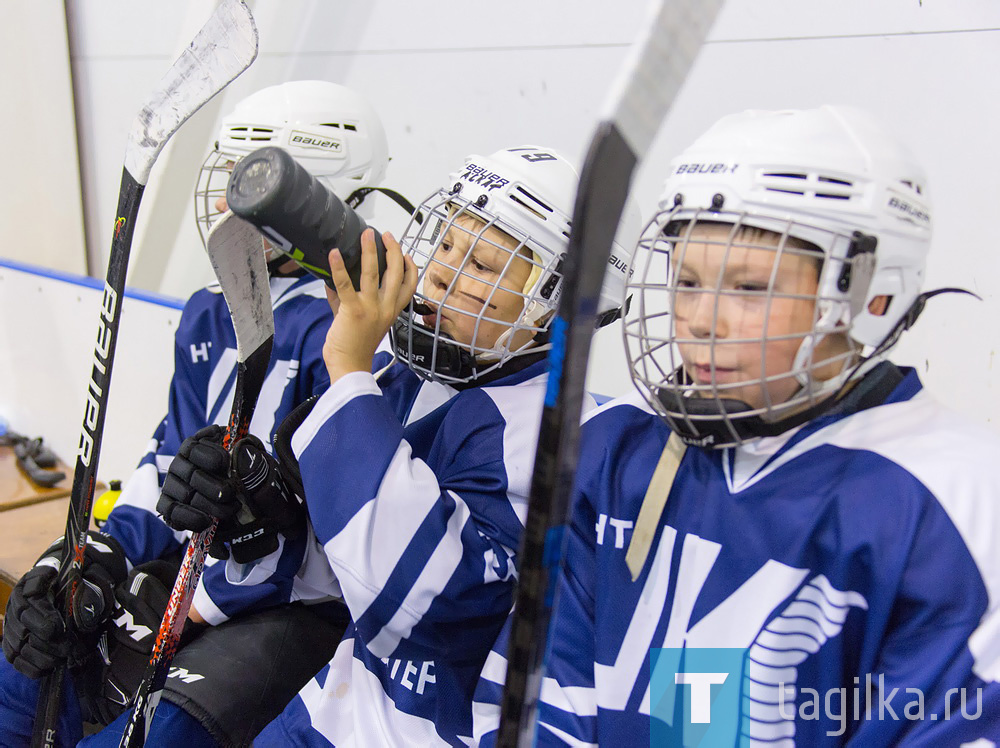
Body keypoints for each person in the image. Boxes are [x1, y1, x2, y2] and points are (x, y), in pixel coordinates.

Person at [475, 106, 1000, 745]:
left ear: (872, 296)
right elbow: (552, 701)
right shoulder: (619, 455)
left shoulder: (951, 503)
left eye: (748, 289)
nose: (699, 319)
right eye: (688, 280)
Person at [152, 145, 641, 746]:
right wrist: (253, 518)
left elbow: (421, 602)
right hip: (336, 708)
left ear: (555, 307)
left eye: (482, 267)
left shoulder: (563, 436)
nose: (440, 273)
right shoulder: (404, 380)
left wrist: (348, 368)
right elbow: (334, 577)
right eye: (446, 247)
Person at [0, 80, 399, 746]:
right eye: (226, 173)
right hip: (187, 584)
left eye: (250, 179)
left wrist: (186, 608)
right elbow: (164, 469)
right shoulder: (210, 310)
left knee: (161, 736)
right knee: (24, 666)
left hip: (287, 612)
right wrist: (93, 557)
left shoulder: (358, 333)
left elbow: (340, 551)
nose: (222, 200)